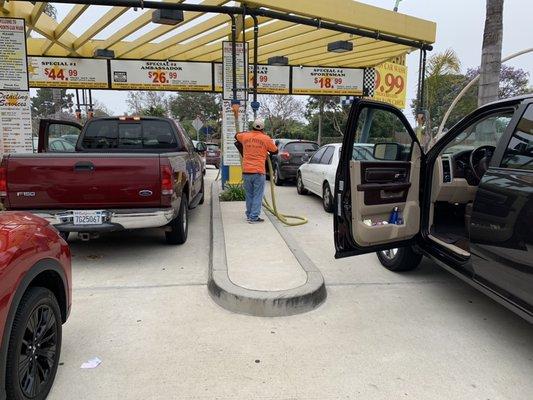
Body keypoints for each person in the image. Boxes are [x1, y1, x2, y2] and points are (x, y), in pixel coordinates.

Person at [235, 118, 278, 223]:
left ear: (252, 127)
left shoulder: (245, 136)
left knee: (249, 194)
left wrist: (248, 133)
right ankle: (254, 217)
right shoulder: (265, 138)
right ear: (263, 129)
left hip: (246, 171)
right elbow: (275, 150)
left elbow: (236, 135)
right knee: (258, 195)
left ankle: (249, 214)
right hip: (258, 171)